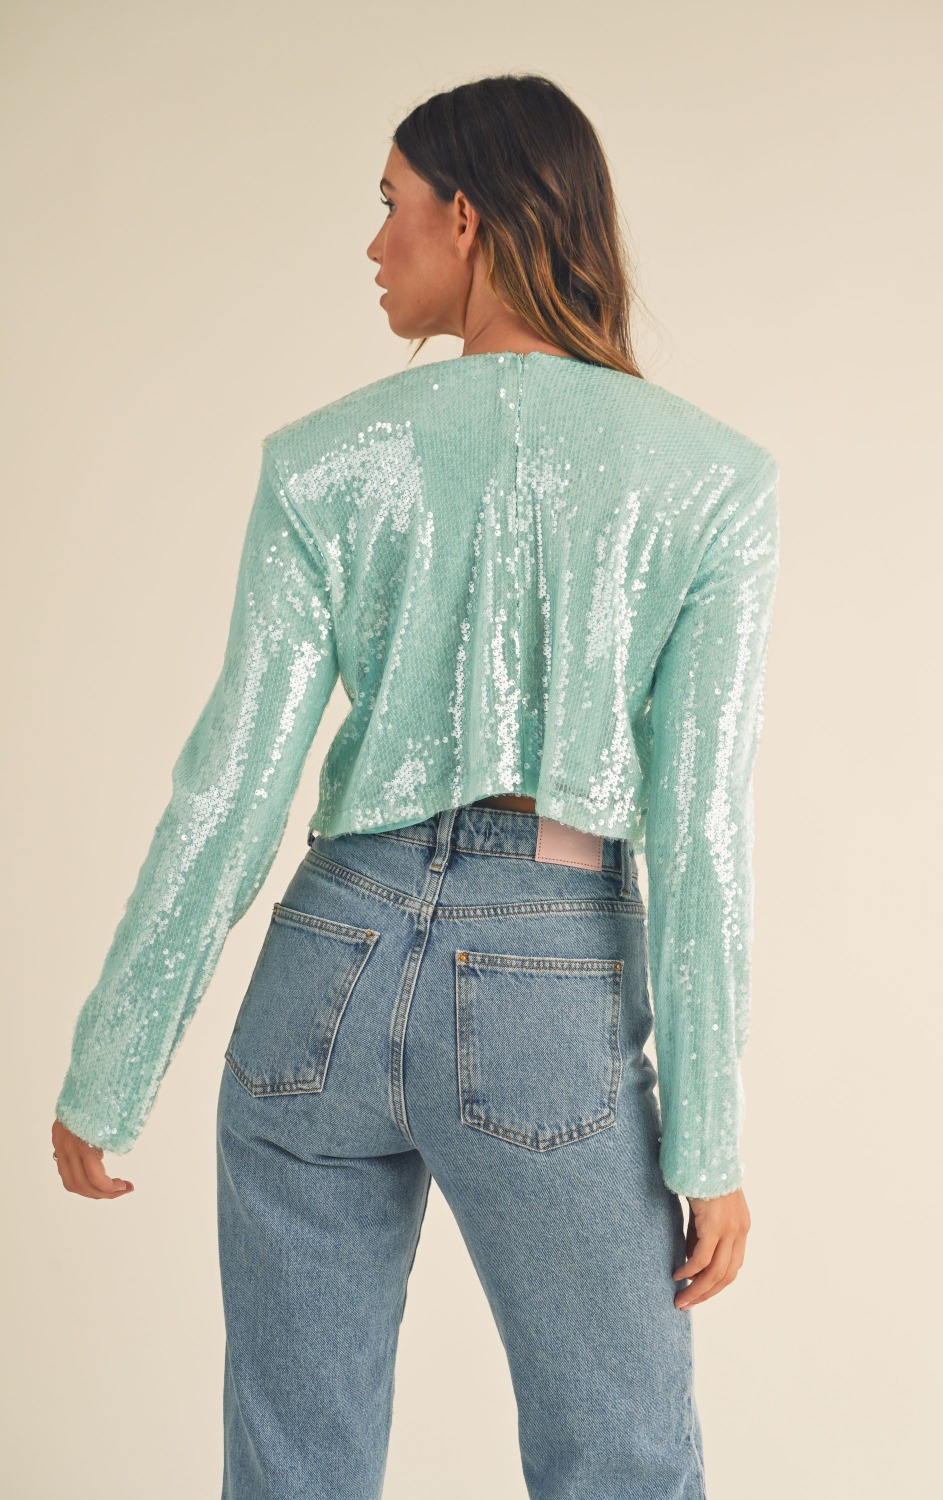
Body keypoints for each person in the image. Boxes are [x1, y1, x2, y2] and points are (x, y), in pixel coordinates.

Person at [51, 73, 780, 1500]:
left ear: (468, 216)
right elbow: (701, 832)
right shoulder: (709, 480)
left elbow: (231, 787)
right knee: (622, 1463)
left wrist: (111, 1067)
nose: (374, 243)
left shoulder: (323, 462)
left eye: (391, 205)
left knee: (293, 1471)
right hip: (547, 985)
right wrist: (708, 1140)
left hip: (322, 966)